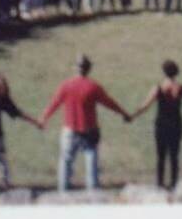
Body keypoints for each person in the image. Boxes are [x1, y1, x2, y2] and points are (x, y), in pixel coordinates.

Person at [39, 54, 132, 191]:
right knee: (91, 165)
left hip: (70, 130)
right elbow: (109, 103)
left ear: (75, 68)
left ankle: (62, 193)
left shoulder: (66, 85)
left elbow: (55, 103)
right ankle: (92, 194)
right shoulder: (93, 87)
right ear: (89, 69)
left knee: (65, 162)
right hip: (90, 130)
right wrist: (124, 113)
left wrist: (43, 118)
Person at [130, 60, 182, 190]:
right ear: (176, 73)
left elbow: (145, 106)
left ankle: (160, 183)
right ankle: (174, 183)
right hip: (176, 124)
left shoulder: (158, 88)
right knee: (174, 155)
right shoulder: (181, 88)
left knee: (161, 156)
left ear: (164, 72)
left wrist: (132, 116)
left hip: (161, 124)